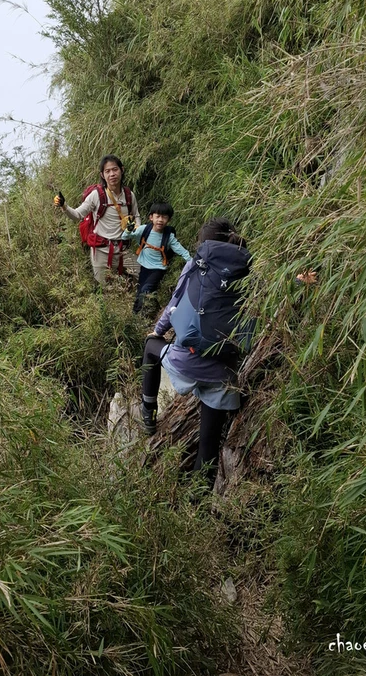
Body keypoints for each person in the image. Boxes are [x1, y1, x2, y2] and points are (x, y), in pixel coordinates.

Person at [139, 217, 252, 487]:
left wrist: (157, 332)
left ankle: (148, 412)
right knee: (208, 449)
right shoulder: (247, 268)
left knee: (150, 347)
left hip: (187, 360)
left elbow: (173, 304)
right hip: (224, 371)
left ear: (204, 243)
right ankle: (199, 500)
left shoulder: (196, 265)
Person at [54, 155, 141, 284]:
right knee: (104, 290)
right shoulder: (97, 195)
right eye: (107, 171)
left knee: (140, 277)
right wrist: (64, 206)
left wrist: (137, 228)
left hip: (124, 249)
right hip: (102, 251)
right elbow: (77, 215)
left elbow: (136, 215)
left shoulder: (129, 195)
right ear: (102, 175)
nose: (112, 174)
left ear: (122, 170)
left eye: (115, 169)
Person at [121, 202, 191, 314]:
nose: (160, 220)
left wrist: (191, 261)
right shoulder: (144, 229)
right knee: (140, 290)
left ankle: (141, 315)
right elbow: (124, 237)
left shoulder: (169, 236)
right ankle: (139, 313)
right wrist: (129, 229)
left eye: (164, 217)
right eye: (157, 216)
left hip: (158, 268)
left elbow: (180, 249)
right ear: (151, 217)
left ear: (169, 220)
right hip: (144, 266)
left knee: (145, 290)